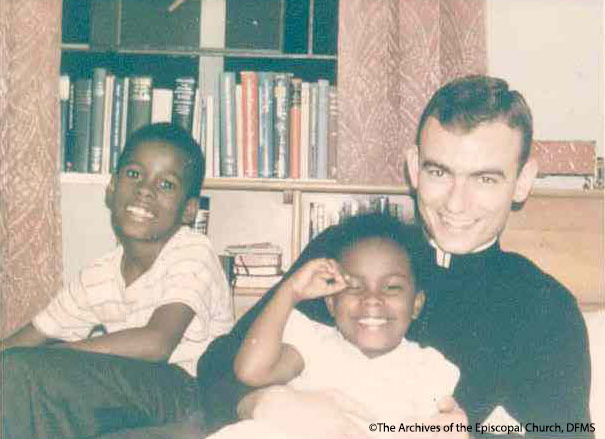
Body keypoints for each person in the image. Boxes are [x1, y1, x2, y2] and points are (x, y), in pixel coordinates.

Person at [197, 75, 592, 438]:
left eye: (485, 179)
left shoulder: (544, 309)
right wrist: (265, 404)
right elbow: (219, 365)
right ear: (414, 168)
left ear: (522, 182)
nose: (456, 202)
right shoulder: (352, 254)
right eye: (439, 173)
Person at [1, 123, 234, 439]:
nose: (145, 190)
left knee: (28, 374)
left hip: (191, 391)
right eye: (134, 174)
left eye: (166, 184)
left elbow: (157, 343)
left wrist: (60, 354)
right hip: (136, 392)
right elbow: (29, 338)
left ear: (189, 210)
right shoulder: (99, 274)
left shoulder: (192, 250)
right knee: (19, 374)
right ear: (111, 188)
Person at [209, 213, 464, 439]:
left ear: (416, 304)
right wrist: (290, 292)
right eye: (354, 286)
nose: (372, 298)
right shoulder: (313, 342)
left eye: (392, 287)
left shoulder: (428, 367)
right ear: (331, 302)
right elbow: (251, 371)